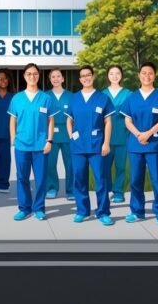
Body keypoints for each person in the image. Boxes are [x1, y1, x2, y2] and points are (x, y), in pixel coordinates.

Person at [120, 62, 158, 225]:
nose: (147, 76)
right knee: (135, 179)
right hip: (136, 144)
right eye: (144, 73)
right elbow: (127, 120)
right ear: (139, 75)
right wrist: (138, 134)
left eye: (150, 73)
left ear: (155, 75)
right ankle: (137, 211)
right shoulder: (132, 98)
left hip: (155, 144)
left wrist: (148, 133)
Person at [8, 63, 58, 221]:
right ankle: (24, 208)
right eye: (29, 74)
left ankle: (39, 208)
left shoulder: (46, 98)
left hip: (40, 146)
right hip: (22, 145)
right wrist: (13, 140)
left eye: (35, 73)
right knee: (22, 177)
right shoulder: (17, 98)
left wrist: (49, 140)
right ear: (24, 76)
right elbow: (12, 121)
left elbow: (51, 121)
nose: (32, 76)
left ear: (39, 76)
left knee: (41, 178)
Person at [65, 66, 114, 226]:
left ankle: (103, 212)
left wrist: (106, 143)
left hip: (97, 145)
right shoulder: (74, 98)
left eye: (88, 75)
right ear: (79, 80)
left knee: (101, 179)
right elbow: (69, 120)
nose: (86, 78)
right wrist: (71, 136)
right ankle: (82, 211)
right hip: (78, 146)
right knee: (79, 178)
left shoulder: (103, 98)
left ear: (93, 77)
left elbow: (108, 122)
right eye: (82, 76)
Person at [103, 65, 132, 203]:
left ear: (121, 75)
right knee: (104, 166)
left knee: (121, 166)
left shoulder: (129, 94)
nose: (114, 76)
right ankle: (106, 190)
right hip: (105, 138)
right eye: (111, 73)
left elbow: (133, 115)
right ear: (107, 76)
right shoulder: (102, 95)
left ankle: (119, 192)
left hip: (123, 137)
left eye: (117, 73)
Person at [44, 69, 73, 200]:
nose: (55, 79)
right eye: (53, 77)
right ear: (50, 80)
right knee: (50, 163)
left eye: (58, 76)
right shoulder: (45, 96)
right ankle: (51, 188)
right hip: (51, 134)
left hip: (68, 133)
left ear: (63, 78)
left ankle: (71, 190)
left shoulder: (71, 96)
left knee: (71, 163)